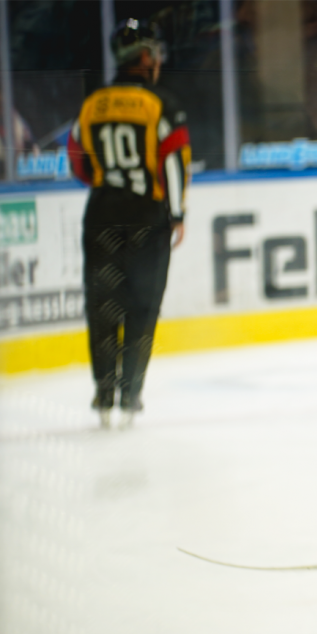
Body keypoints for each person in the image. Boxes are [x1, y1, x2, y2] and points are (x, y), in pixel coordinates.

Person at [67, 19, 190, 429]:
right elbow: (174, 160)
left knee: (103, 307)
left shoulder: (93, 104)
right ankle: (130, 395)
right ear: (145, 57)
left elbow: (77, 161)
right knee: (142, 308)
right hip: (146, 220)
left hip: (101, 216)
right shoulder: (161, 104)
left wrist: (107, 183)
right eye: (155, 53)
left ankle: (104, 395)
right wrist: (177, 214)